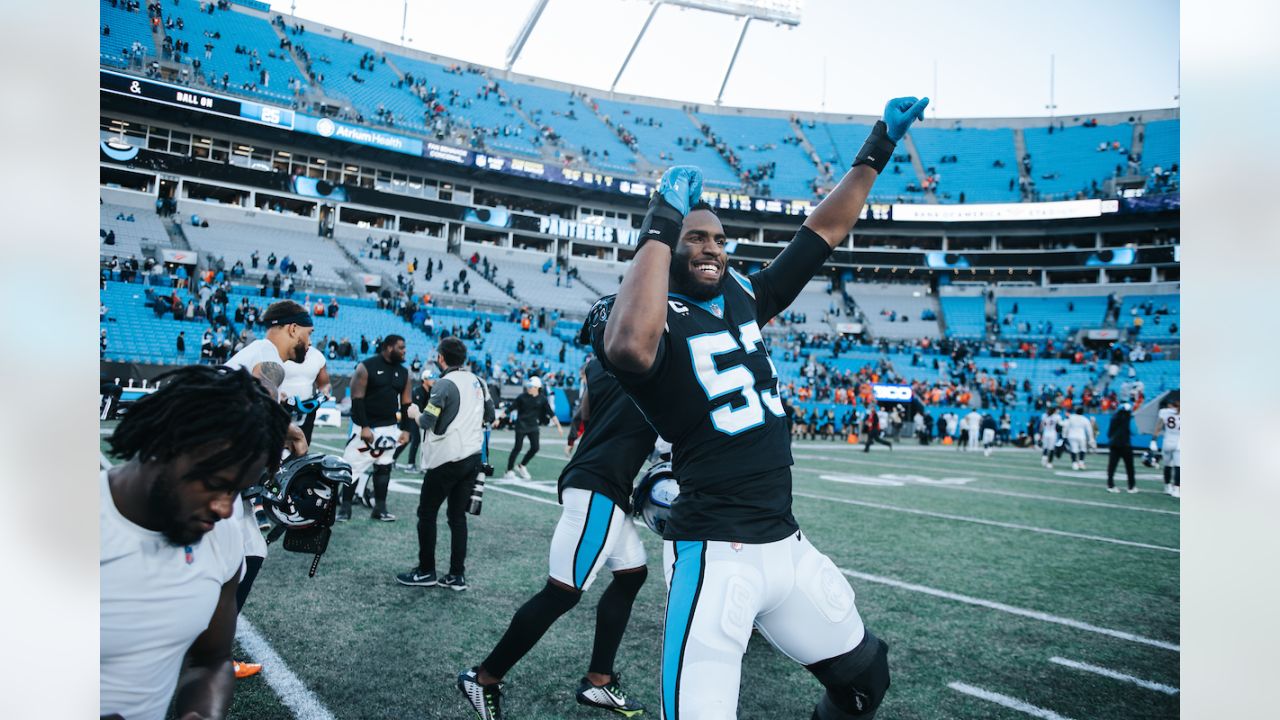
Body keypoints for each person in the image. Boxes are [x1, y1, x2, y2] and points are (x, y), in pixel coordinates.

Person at [591, 95, 925, 720]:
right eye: (696, 238)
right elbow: (631, 348)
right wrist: (661, 222)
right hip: (716, 551)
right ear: (666, 246)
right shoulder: (636, 314)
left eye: (718, 237)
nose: (713, 247)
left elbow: (823, 232)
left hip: (787, 543)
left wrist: (876, 146)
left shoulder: (745, 294)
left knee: (863, 682)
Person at [457, 351, 657, 718]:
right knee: (561, 593)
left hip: (598, 478)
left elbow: (586, 414)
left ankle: (599, 680)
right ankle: (484, 677)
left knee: (632, 574)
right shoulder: (663, 358)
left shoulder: (600, 363)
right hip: (602, 484)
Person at [101, 366, 290, 720]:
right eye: (215, 483)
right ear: (161, 449)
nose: (224, 507)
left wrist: (201, 713)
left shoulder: (222, 536)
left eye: (235, 490)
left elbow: (210, 660)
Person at [397, 337, 494, 591]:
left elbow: (427, 421)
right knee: (457, 517)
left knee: (427, 514)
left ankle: (426, 570)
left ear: (441, 358)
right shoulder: (480, 382)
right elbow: (491, 416)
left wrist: (414, 412)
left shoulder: (444, 384)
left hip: (446, 457)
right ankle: (456, 575)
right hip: (472, 457)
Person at [339, 335, 414, 522]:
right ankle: (344, 508)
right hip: (365, 427)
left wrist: (406, 429)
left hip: (389, 428)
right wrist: (364, 426)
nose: (405, 351)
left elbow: (406, 404)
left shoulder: (404, 373)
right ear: (389, 347)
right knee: (352, 467)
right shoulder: (366, 367)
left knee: (384, 468)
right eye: (401, 347)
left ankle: (380, 508)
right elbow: (357, 399)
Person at [504, 376, 562, 480]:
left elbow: (551, 413)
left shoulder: (542, 399)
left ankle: (521, 465)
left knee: (535, 448)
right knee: (517, 448)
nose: (528, 388)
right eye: (528, 386)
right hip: (521, 425)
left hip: (533, 426)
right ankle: (509, 471)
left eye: (531, 386)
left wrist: (558, 426)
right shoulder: (522, 397)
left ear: (537, 387)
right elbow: (510, 408)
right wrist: (498, 419)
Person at [280, 344, 330, 444]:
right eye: (307, 333)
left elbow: (325, 385)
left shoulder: (317, 356)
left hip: (306, 412)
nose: (310, 341)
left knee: (302, 450)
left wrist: (322, 395)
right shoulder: (277, 354)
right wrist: (279, 396)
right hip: (279, 410)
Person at [1152, 397, 1181, 498]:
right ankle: (1176, 489)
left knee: (1167, 465)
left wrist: (1153, 440)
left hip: (1167, 441)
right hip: (1179, 442)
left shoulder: (1164, 412)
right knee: (1178, 466)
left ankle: (1167, 486)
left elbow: (1158, 427)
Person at [1106, 403, 1137, 493]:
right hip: (1126, 445)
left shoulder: (1113, 418)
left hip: (1114, 444)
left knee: (1112, 466)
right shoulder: (1130, 419)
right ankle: (1131, 487)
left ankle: (1110, 485)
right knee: (1129, 467)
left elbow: (1109, 432)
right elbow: (1134, 431)